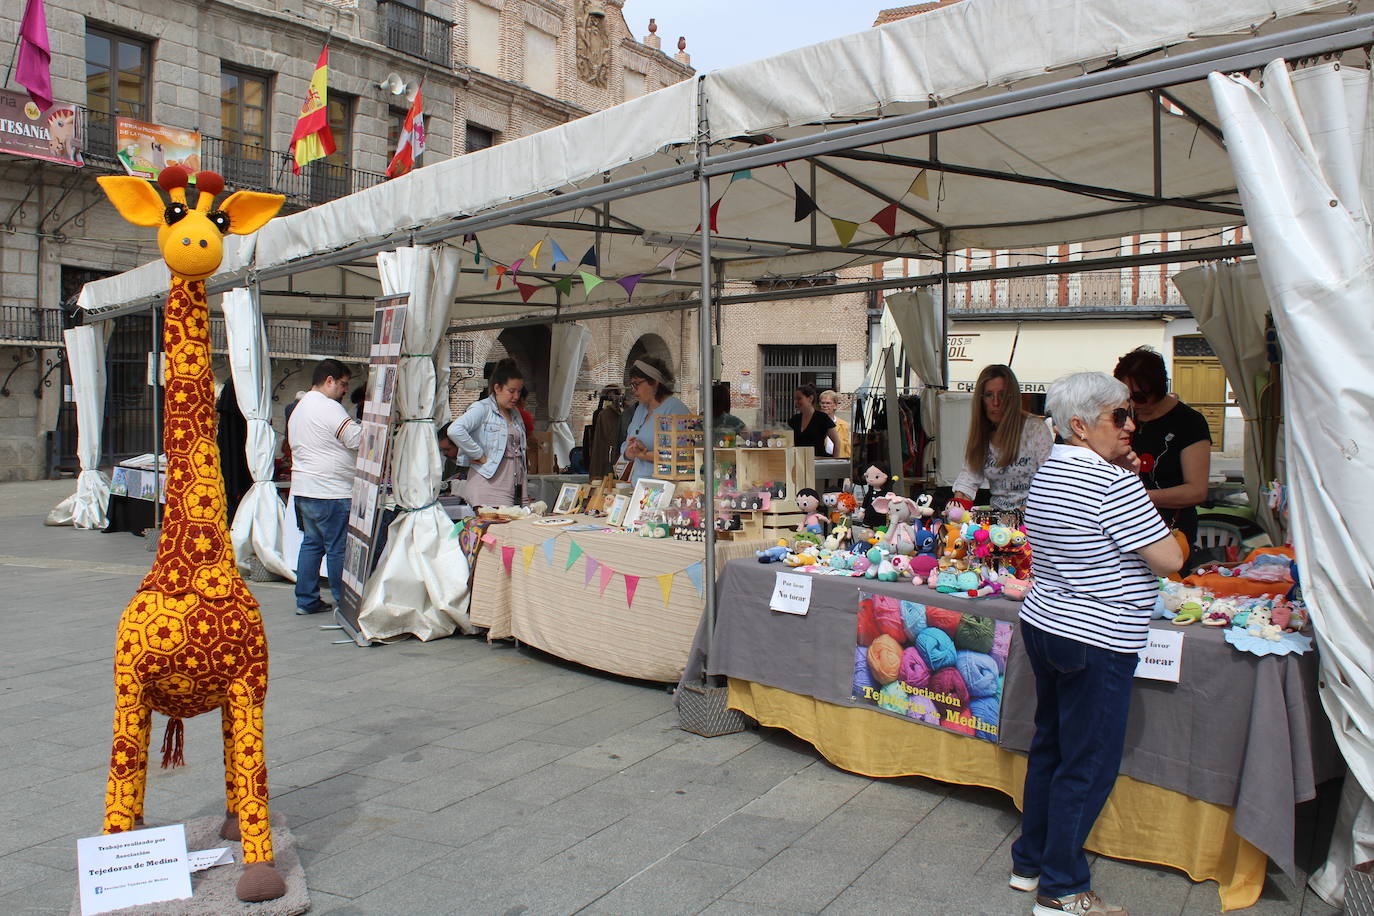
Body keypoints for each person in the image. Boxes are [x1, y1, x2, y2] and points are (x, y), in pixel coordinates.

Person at [1010, 372, 1183, 916]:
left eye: (1129, 413)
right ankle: (1062, 889)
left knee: (1052, 747)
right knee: (1086, 761)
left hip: (1048, 622)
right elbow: (1170, 560)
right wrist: (1156, 512)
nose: (1131, 425)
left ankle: (1031, 861)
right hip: (1096, 634)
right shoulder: (1112, 483)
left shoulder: (1052, 470)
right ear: (1081, 425)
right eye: (1120, 416)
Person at [1113, 346, 1212, 548]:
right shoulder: (1124, 415)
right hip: (1123, 528)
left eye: (1139, 396)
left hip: (1169, 530)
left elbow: (1197, 491)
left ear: (1158, 389)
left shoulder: (1189, 422)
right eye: (1125, 395)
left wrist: (1134, 496)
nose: (1132, 402)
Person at [287, 359, 362, 615]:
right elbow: (354, 439)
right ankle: (344, 603)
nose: (344, 390)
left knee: (311, 544)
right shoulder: (328, 407)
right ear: (329, 380)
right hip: (331, 490)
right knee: (336, 548)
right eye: (342, 384)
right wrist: (373, 429)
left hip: (306, 488)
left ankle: (306, 600)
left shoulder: (300, 407)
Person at [953, 364, 1053, 511]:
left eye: (1002, 395)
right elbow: (967, 480)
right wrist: (956, 510)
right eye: (989, 395)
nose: (995, 402)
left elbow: (1050, 482)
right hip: (999, 525)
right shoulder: (981, 435)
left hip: (1034, 518)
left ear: (1012, 398)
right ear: (981, 400)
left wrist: (1022, 514)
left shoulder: (1035, 428)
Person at [439, 358, 527, 508]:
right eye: (511, 391)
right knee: (495, 530)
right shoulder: (482, 408)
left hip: (514, 488)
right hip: (488, 487)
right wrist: (477, 454)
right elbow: (455, 429)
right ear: (497, 388)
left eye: (519, 391)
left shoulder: (515, 413)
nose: (516, 397)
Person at [620, 357, 689, 484]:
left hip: (666, 487)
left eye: (637, 384)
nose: (633, 389)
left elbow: (681, 454)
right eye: (631, 385)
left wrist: (642, 454)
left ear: (654, 382)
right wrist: (631, 450)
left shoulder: (676, 410)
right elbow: (625, 446)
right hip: (640, 488)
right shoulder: (640, 409)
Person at [787, 383, 841, 457]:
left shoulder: (822, 418)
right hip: (800, 463)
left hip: (819, 464)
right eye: (795, 399)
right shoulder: (794, 420)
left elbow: (837, 442)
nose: (796, 402)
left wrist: (834, 463)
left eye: (799, 398)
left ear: (810, 399)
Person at [586, 385, 623, 478]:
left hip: (613, 455)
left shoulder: (621, 412)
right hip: (607, 455)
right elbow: (607, 438)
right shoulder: (604, 414)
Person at [818, 389, 851, 459]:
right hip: (821, 461)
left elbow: (847, 448)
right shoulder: (814, 424)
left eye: (828, 403)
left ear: (835, 405)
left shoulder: (844, 425)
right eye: (822, 403)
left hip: (839, 462)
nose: (824, 405)